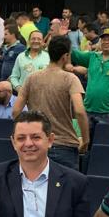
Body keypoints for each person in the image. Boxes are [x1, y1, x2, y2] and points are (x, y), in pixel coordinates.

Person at [11, 38, 89, 170]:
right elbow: (80, 111)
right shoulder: (71, 79)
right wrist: (85, 140)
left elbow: (15, 111)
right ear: (65, 56)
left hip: (37, 144)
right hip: (64, 145)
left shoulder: (31, 78)